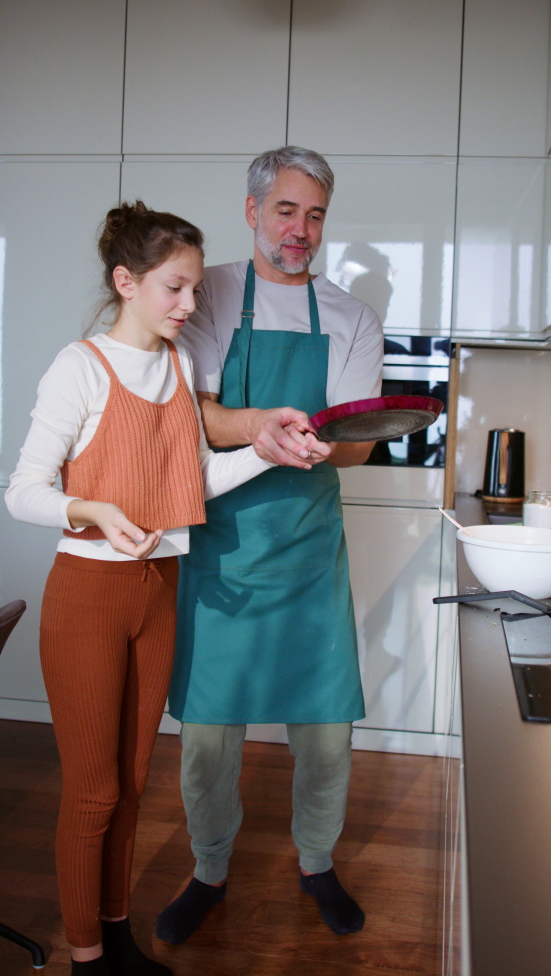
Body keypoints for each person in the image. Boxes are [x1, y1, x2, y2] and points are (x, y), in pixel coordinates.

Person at [5, 202, 274, 976]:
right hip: (89, 594)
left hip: (160, 588)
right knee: (91, 791)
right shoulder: (78, 366)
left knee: (130, 781)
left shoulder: (181, 367)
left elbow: (194, 479)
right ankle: (87, 956)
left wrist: (269, 448)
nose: (190, 306)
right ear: (127, 282)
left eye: (193, 289)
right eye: (175, 288)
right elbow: (21, 490)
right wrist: (89, 508)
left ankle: (116, 937)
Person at [156, 146, 384, 945]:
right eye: (286, 210)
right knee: (208, 734)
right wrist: (262, 430)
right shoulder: (210, 290)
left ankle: (316, 859)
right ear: (252, 210)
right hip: (223, 544)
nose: (301, 229)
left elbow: (356, 438)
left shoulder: (352, 316)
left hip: (309, 544)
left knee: (326, 728)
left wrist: (329, 443)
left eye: (315, 213)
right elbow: (201, 412)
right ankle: (208, 867)